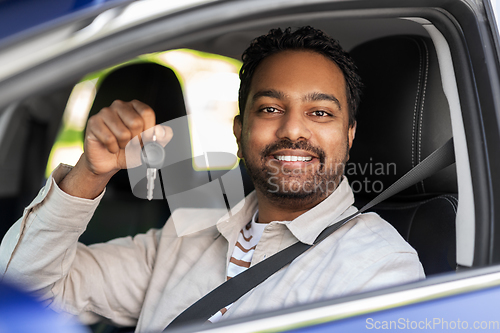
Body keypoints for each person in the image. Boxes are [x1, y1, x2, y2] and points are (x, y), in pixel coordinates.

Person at [0, 26, 424, 332]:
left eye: (320, 113)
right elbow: (23, 294)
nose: (294, 130)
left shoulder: (380, 268)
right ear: (239, 133)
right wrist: (88, 175)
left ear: (349, 136)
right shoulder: (189, 232)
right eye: (271, 109)